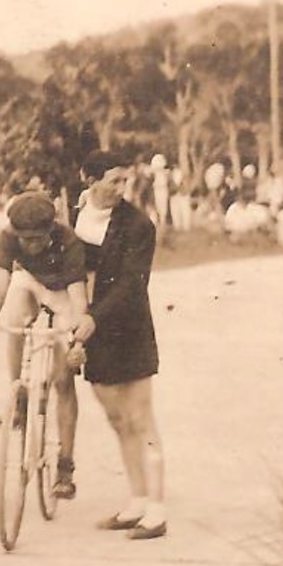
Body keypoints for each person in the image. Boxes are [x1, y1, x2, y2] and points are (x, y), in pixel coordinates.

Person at [0, 191, 95, 500]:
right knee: (14, 315)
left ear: (51, 230)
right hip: (31, 282)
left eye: (37, 239)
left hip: (63, 293)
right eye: (25, 239)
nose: (30, 245)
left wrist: (76, 340)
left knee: (63, 380)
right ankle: (18, 390)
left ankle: (65, 466)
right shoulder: (7, 236)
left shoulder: (68, 240)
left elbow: (77, 299)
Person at [73, 152, 167, 540]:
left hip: (127, 330)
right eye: (111, 181)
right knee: (117, 421)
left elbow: (132, 284)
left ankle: (157, 511)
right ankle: (137, 500)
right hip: (92, 333)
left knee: (141, 420)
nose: (119, 189)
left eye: (123, 181)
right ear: (88, 179)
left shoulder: (138, 225)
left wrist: (92, 318)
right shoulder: (75, 217)